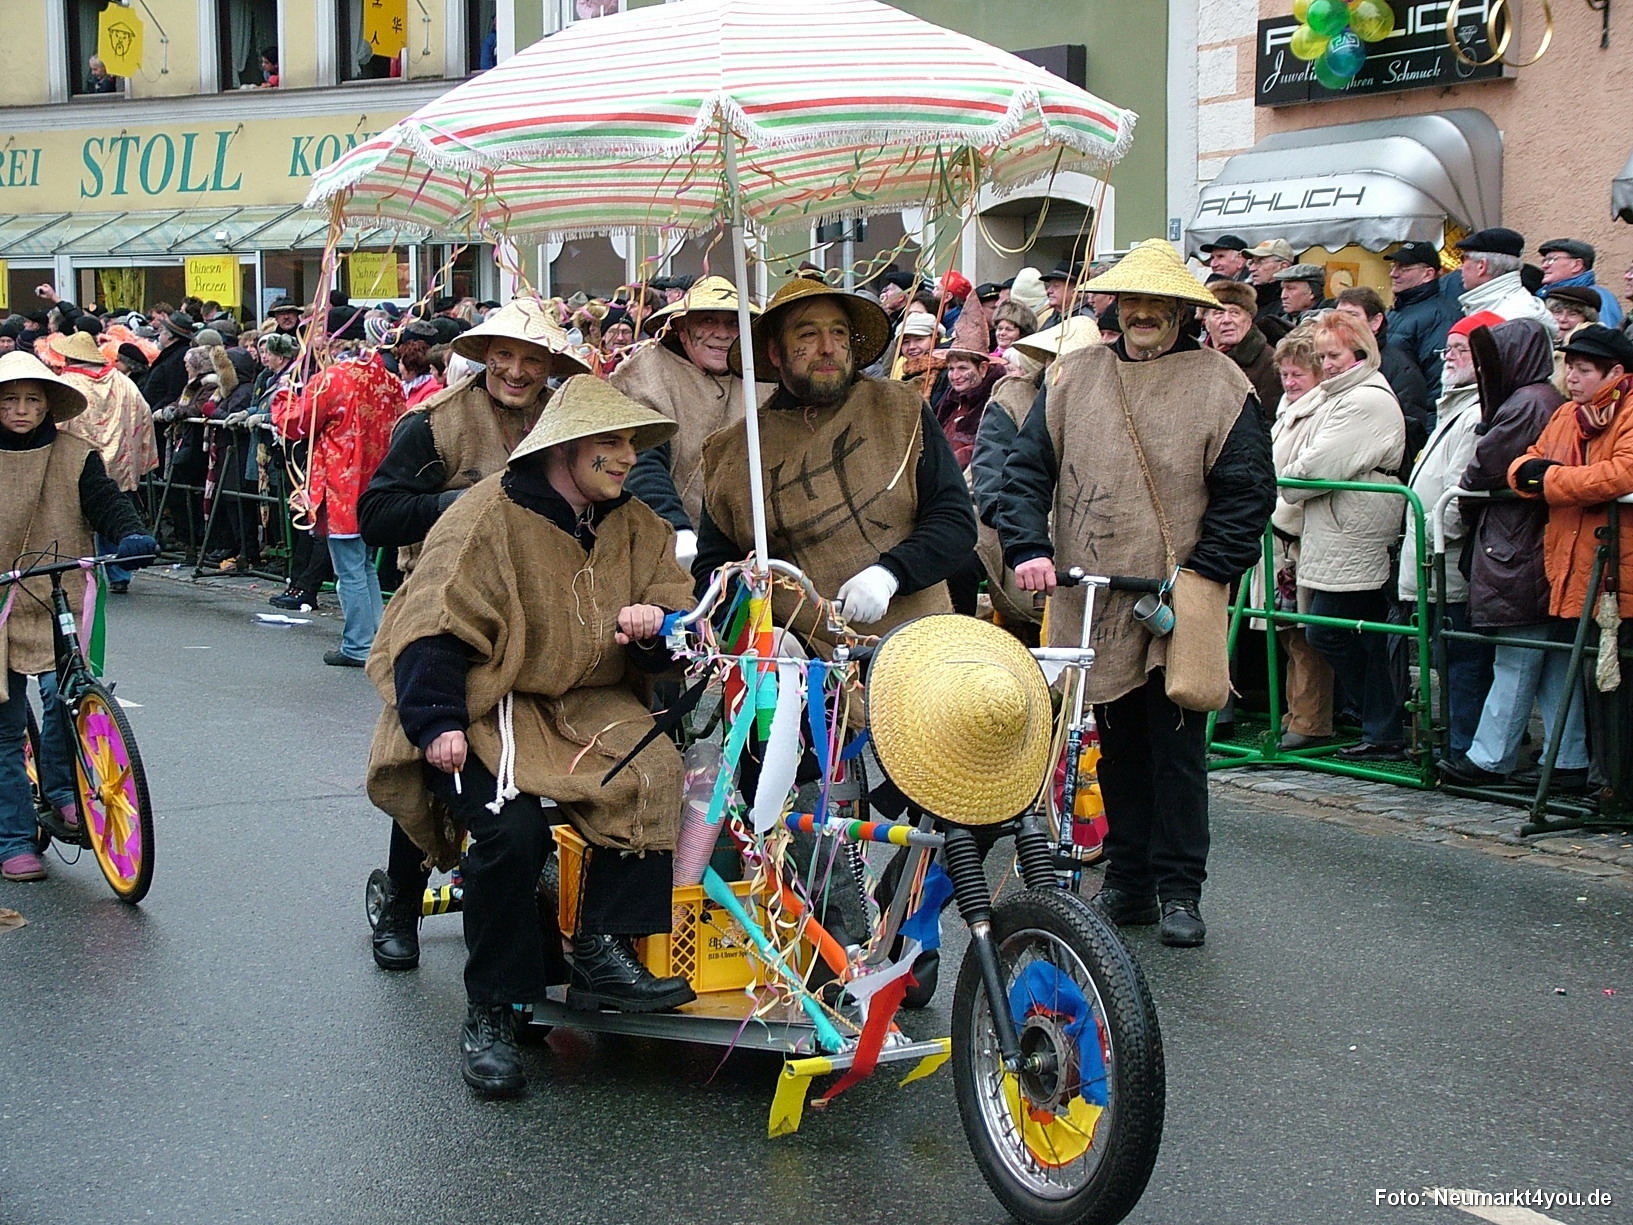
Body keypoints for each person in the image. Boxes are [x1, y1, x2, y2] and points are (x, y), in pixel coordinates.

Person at [365, 375, 697, 1096]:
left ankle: (602, 946)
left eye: (631, 443)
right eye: (610, 443)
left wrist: (655, 629)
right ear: (566, 447)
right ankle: (491, 1010)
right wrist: (438, 724)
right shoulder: (486, 516)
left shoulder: (637, 523)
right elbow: (430, 623)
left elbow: (677, 624)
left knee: (655, 772)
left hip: (590, 701)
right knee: (512, 837)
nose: (626, 457)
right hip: (490, 702)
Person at [998, 239, 1275, 948]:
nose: (1144, 314)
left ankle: (1179, 886)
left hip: (1175, 592)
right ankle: (1126, 877)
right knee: (1112, 743)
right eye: (1133, 301)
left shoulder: (1219, 384)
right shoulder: (1073, 375)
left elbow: (1246, 493)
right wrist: (1028, 547)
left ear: (1183, 309)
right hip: (1090, 589)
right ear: (1114, 306)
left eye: (1159, 303)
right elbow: (1027, 472)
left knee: (1175, 745)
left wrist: (1204, 570)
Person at [357, 299, 590, 972]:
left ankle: (539, 912)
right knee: (429, 758)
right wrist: (463, 501)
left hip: (543, 614)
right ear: (486, 356)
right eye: (505, 356)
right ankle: (401, 902)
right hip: (442, 610)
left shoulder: (566, 420)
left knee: (540, 767)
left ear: (550, 366)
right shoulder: (435, 424)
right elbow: (376, 513)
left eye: (532, 359)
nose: (516, 371)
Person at [694, 277, 977, 643]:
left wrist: (891, 573)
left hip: (919, 645)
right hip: (801, 664)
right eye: (808, 335)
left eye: (839, 333)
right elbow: (715, 569)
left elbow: (954, 520)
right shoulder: (733, 454)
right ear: (776, 352)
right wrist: (763, 636)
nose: (828, 348)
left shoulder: (900, 410)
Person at [0, 353, 154, 883]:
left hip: (58, 592)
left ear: (49, 405)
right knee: (3, 726)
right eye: (10, 399)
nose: (22, 410)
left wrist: (131, 534)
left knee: (65, 696)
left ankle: (65, 792)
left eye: (33, 399)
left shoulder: (76, 454)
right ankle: (15, 840)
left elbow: (107, 503)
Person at [1440, 319, 1586, 788]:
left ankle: (1490, 758)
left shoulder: (1527, 403)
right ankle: (1567, 758)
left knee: (1520, 656)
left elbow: (1484, 467)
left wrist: (1464, 500)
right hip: (1532, 541)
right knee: (1552, 660)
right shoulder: (1542, 400)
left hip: (1518, 543)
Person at [1509, 324, 1633, 793]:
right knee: (1592, 681)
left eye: (1584, 370)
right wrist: (1542, 476)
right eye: (1570, 367)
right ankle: (1603, 781)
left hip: (1618, 570)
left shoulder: (1629, 411)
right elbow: (1523, 466)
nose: (1573, 378)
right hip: (1574, 563)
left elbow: (1622, 473)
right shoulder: (1566, 414)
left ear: (1615, 373)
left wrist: (1554, 481)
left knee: (1616, 681)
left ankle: (1615, 785)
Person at [1280, 310, 1407, 761]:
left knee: (1332, 630)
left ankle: (1382, 724)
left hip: (1353, 526)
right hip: (1337, 525)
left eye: (1333, 354)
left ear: (1359, 350)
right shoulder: (1341, 396)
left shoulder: (1363, 400)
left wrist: (1289, 477)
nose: (1326, 363)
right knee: (1349, 630)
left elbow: (1312, 469)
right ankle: (1380, 724)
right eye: (1322, 355)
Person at [1396, 312, 1501, 758]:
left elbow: (1460, 489)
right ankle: (1457, 745)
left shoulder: (1476, 410)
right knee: (1447, 657)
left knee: (1462, 661)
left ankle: (1462, 749)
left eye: (1463, 350)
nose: (1451, 358)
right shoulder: (1454, 405)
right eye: (1450, 349)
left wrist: (1441, 538)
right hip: (1430, 553)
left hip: (1447, 556)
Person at [614, 276, 773, 565]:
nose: (722, 334)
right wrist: (676, 527)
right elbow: (641, 460)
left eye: (733, 323)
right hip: (661, 544)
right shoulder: (647, 374)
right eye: (708, 321)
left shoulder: (762, 377)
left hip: (750, 548)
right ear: (682, 329)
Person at [969, 317, 1101, 645]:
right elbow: (994, 483)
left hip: (1094, 535)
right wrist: (1027, 535)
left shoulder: (1107, 404)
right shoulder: (1013, 401)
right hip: (1022, 536)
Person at [273, 341, 403, 668]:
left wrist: (283, 395)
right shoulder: (390, 381)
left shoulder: (333, 379)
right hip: (379, 483)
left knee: (350, 570)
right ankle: (375, 639)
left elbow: (296, 424)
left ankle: (359, 643)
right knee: (364, 567)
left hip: (342, 484)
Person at [1264, 327, 1336, 750]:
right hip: (1279, 533)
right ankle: (1296, 714)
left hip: (1297, 534)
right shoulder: (1288, 410)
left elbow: (1300, 475)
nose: (1290, 383)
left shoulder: (1317, 412)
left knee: (1303, 634)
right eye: (1286, 375)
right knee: (1288, 633)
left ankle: (1310, 720)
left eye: (1298, 375)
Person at [47, 331, 158, 595]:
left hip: (78, 462)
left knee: (72, 519)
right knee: (113, 510)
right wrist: (139, 459)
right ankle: (120, 572)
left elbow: (56, 422)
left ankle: (75, 572)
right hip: (119, 460)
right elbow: (144, 416)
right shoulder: (123, 383)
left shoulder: (67, 385)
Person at [1333, 286, 1431, 467]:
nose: (1343, 323)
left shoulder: (1401, 369)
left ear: (1376, 322)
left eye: (1352, 316)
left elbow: (1407, 431)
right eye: (1338, 316)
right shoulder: (1327, 362)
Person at [1384, 241, 1460, 399]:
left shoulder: (1441, 317)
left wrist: (1428, 423)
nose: (1394, 273)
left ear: (1428, 274)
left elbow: (1439, 382)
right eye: (1394, 266)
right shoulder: (1397, 310)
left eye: (1404, 268)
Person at [1456, 228, 1557, 338]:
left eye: (1463, 259)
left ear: (1481, 265)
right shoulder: (1514, 308)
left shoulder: (1513, 320)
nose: (1460, 267)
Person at [1201, 280, 1282, 417]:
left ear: (1249, 320)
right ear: (1206, 323)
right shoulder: (1195, 358)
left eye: (1235, 313)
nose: (1226, 320)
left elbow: (1267, 420)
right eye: (1218, 313)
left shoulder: (1269, 362)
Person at [1536, 239, 1623, 329]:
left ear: (1577, 265)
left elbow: (1604, 337)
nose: (1544, 266)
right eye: (1544, 260)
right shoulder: (1545, 295)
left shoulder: (1597, 298)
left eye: (1551, 260)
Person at [1245, 238, 1295, 320]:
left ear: (1283, 266)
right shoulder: (1247, 299)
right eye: (1252, 262)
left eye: (1260, 262)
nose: (1251, 268)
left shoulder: (1289, 304)